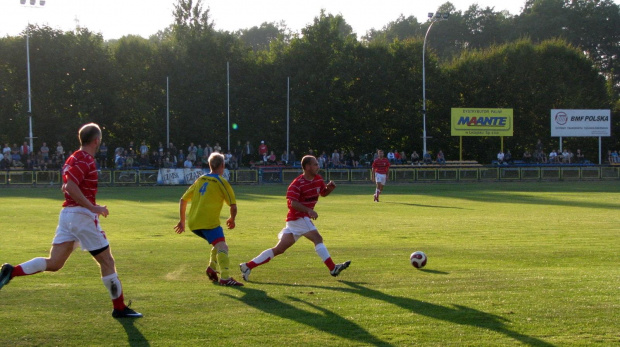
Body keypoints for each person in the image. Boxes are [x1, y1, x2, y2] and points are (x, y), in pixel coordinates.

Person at [0, 123, 142, 318]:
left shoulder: (72, 157)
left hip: (67, 215)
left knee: (55, 263)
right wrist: (93, 207)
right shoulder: (86, 160)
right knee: (107, 261)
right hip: (81, 216)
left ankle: (12, 270)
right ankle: (119, 308)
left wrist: (87, 201)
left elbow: (66, 187)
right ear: (96, 141)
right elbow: (70, 186)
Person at [239, 155, 350, 281]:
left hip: (296, 221)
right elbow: (293, 203)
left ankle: (247, 266)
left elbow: (322, 192)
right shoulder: (297, 184)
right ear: (307, 167)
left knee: (279, 249)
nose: (318, 167)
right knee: (317, 238)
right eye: (315, 164)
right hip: (298, 217)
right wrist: (309, 210)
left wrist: (329, 189)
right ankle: (332, 268)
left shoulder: (318, 179)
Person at [174, 152, 243, 286]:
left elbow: (183, 200)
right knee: (223, 247)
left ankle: (211, 267)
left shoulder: (200, 179)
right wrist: (232, 219)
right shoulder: (221, 181)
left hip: (193, 223)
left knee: (218, 243)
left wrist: (182, 221)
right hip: (208, 222)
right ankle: (225, 277)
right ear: (223, 165)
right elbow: (233, 206)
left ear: (210, 165)